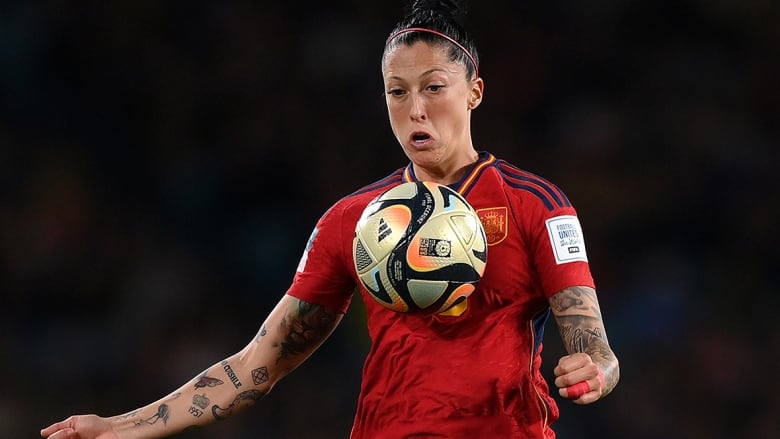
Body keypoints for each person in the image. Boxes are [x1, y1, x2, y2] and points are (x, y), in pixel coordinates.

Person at [41, 0, 620, 438]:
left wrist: (590, 373)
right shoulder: (353, 220)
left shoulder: (536, 205)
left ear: (474, 92)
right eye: (396, 92)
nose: (414, 108)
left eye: (433, 87)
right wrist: (120, 427)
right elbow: (254, 369)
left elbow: (597, 350)